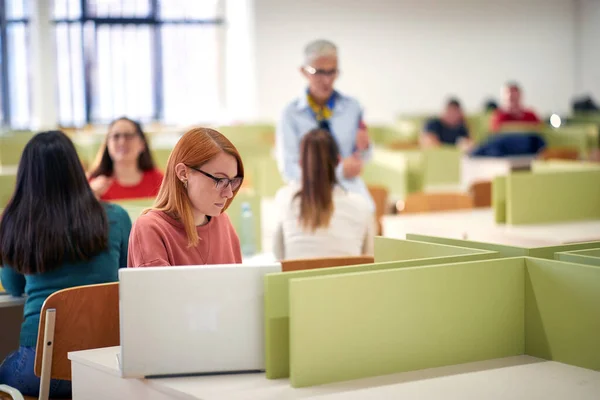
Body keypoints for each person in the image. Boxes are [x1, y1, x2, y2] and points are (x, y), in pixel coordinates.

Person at [0, 131, 131, 398]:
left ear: (26, 176)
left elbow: (13, 287)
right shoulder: (116, 217)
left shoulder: (16, 223)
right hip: (104, 366)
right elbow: (126, 278)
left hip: (39, 370)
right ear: (76, 169)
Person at [276, 39, 374, 210]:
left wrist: (364, 149)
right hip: (311, 195)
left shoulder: (352, 107)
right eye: (319, 72)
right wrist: (338, 173)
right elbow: (289, 170)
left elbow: (364, 156)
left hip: (350, 192)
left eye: (332, 72)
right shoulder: (290, 114)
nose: (327, 80)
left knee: (368, 213)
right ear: (304, 71)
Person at [127, 128, 244, 267]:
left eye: (232, 181)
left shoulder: (223, 222)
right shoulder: (150, 229)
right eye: (219, 180)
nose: (229, 193)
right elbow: (158, 289)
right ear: (183, 173)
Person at [273, 128, 374, 260]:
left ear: (300, 163)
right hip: (347, 281)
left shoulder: (285, 199)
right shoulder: (361, 205)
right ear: (338, 160)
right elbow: (370, 259)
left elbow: (278, 258)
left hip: (297, 280)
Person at [88, 117, 164, 201]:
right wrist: (90, 195)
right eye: (116, 136)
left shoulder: (159, 181)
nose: (122, 142)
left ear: (142, 144)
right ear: (107, 144)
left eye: (128, 136)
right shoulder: (91, 184)